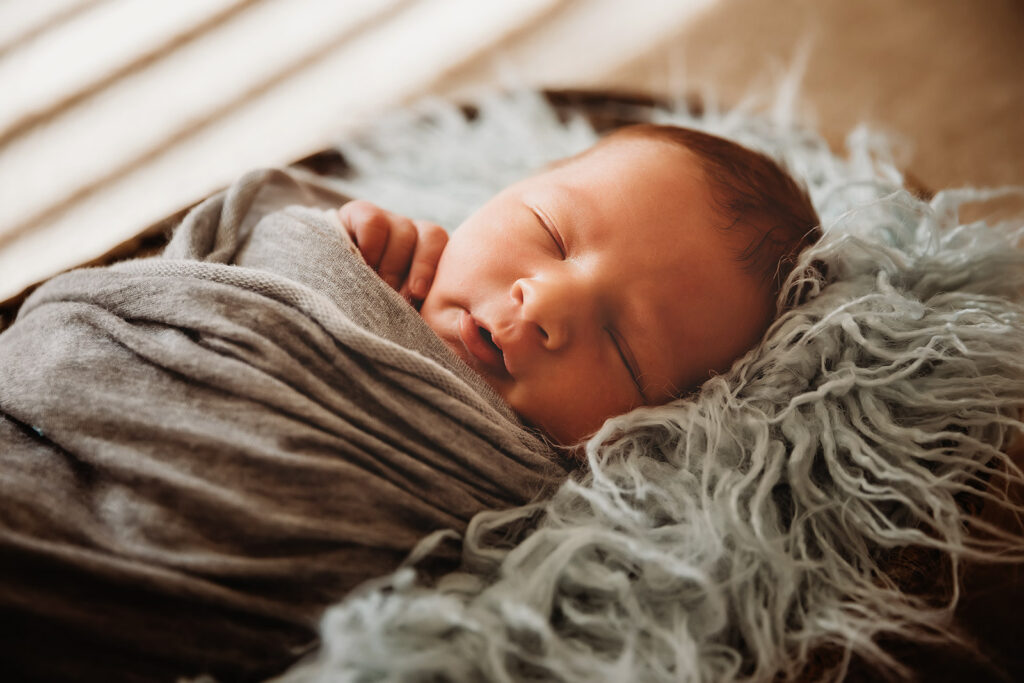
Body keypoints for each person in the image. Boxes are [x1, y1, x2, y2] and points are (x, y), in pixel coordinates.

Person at [338, 123, 821, 444]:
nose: (543, 304)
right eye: (548, 230)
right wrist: (343, 233)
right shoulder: (371, 260)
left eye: (622, 347)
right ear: (506, 190)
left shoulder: (514, 478)